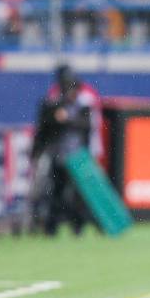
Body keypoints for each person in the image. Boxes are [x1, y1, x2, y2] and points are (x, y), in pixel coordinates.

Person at [30, 81, 92, 236]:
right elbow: (44, 129)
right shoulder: (53, 106)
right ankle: (51, 227)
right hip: (58, 157)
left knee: (77, 194)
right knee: (56, 193)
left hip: (76, 158)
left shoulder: (82, 108)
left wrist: (67, 119)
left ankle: (78, 226)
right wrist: (36, 152)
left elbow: (86, 128)